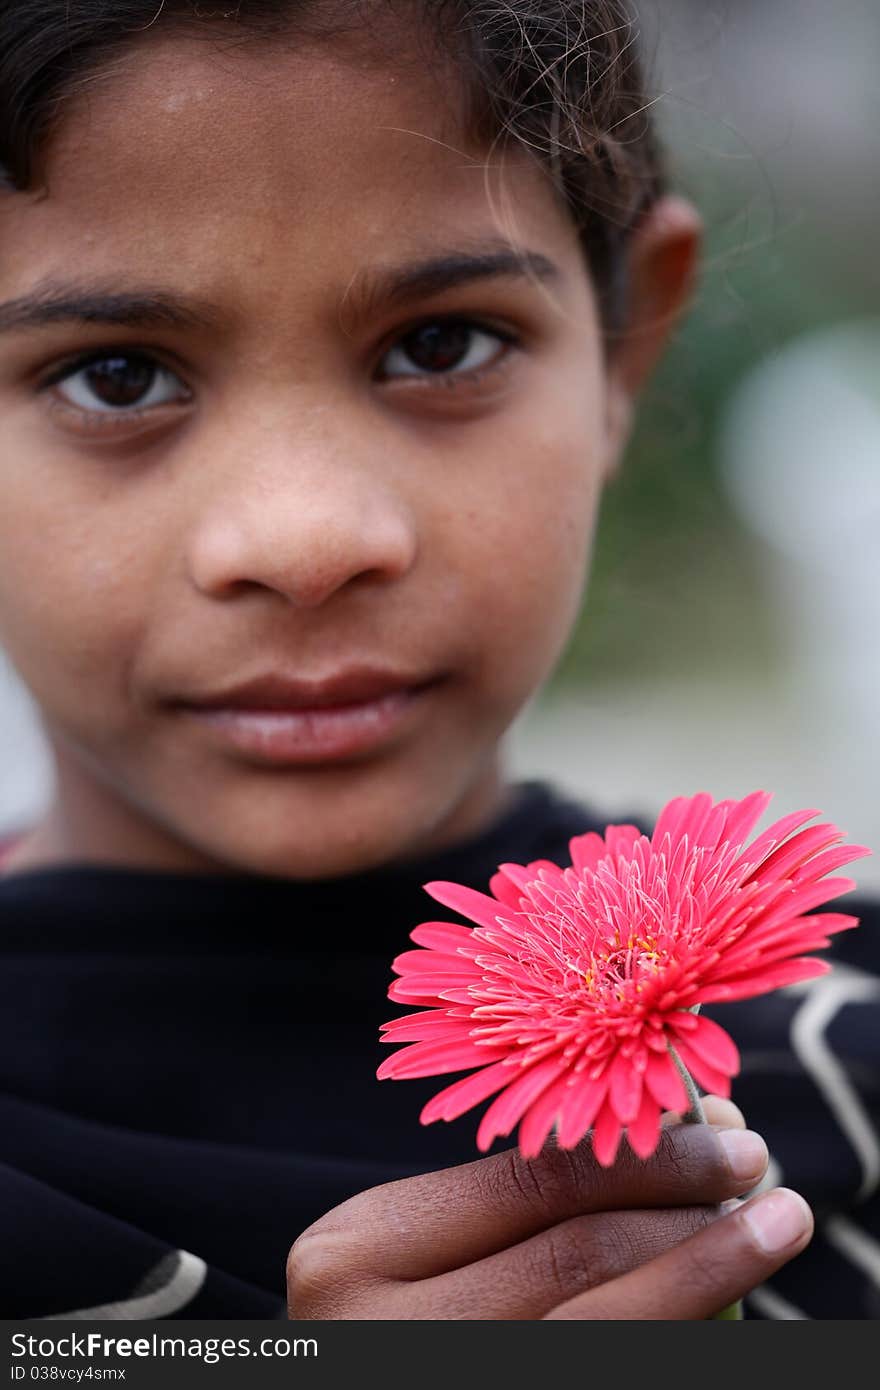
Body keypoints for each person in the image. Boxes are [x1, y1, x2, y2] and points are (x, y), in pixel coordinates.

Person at [0, 0, 875, 1321]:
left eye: (441, 344)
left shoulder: (841, 1038)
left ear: (628, 345)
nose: (307, 541)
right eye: (118, 376)